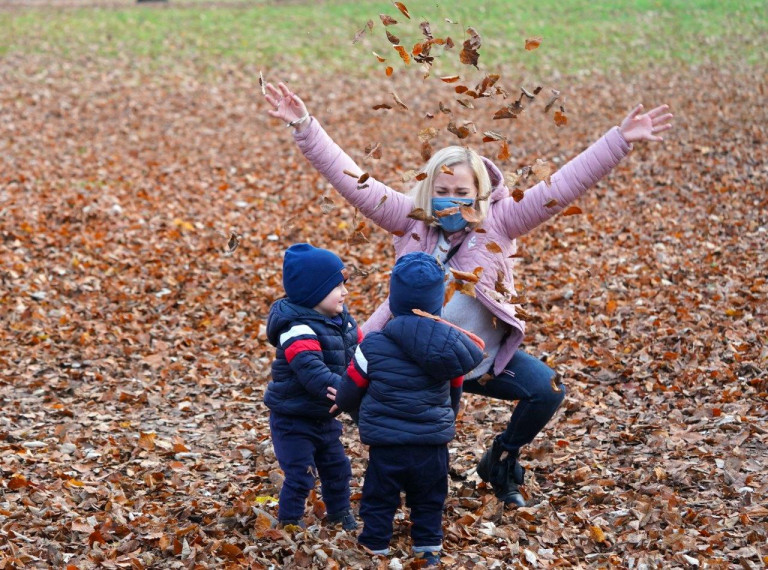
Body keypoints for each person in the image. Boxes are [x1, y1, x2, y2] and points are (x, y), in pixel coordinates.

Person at [264, 81, 673, 507]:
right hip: (410, 360)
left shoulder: (503, 221)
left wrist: (619, 141)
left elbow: (559, 189)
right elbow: (353, 181)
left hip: (478, 359)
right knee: (350, 399)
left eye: (462, 193)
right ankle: (353, 468)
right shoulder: (410, 220)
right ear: (428, 192)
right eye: (442, 192)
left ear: (479, 194)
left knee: (546, 390)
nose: (451, 201)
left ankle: (501, 459)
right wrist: (305, 126)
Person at [331, 251, 484, 566]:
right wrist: (443, 419)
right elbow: (454, 392)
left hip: (388, 445)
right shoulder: (450, 348)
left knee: (379, 496)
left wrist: (342, 405)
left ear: (394, 299)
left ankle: (375, 543)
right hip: (431, 445)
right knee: (429, 498)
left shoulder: (372, 345)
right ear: (438, 302)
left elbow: (352, 386)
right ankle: (427, 547)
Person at [264, 242, 361, 530]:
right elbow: (312, 371)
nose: (345, 292)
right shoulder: (296, 328)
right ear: (314, 292)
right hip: (292, 418)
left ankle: (339, 512)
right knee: (300, 474)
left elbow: (363, 354)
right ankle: (290, 520)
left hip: (324, 416)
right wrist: (348, 392)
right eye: (337, 286)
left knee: (338, 468)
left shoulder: (343, 322)